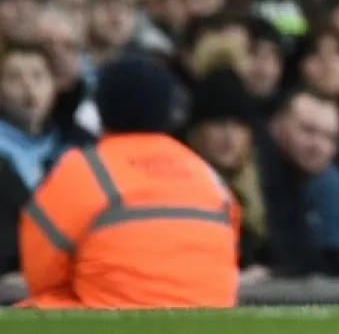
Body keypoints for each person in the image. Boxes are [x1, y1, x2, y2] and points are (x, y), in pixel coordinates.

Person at [17, 55, 239, 309]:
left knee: (33, 309)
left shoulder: (84, 171)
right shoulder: (207, 175)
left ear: (101, 108)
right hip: (211, 321)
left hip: (110, 320)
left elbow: (40, 272)